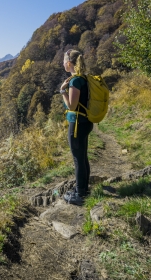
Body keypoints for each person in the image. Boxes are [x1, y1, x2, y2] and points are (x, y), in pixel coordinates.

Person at [60, 49, 93, 206]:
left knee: (78, 159)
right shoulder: (84, 78)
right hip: (86, 122)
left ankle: (80, 195)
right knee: (82, 157)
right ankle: (84, 189)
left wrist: (62, 92)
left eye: (63, 61)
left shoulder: (75, 81)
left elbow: (72, 106)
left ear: (68, 63)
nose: (62, 64)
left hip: (77, 124)